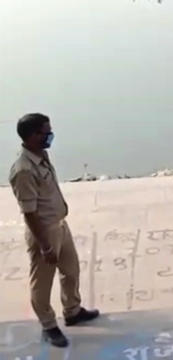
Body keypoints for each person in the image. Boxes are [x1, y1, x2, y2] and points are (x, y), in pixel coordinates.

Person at [9, 113, 100, 348]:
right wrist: (45, 244)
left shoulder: (42, 156)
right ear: (32, 136)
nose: (50, 136)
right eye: (45, 132)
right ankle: (49, 325)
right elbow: (29, 213)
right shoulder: (24, 170)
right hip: (44, 232)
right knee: (42, 283)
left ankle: (73, 311)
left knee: (71, 271)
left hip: (60, 224)